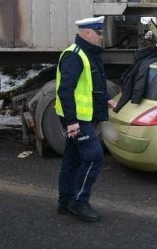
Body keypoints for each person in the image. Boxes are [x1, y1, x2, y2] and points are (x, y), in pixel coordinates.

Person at [55, 16, 117, 222]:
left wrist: (106, 100)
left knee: (72, 160)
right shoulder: (74, 56)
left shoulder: (88, 54)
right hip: (77, 119)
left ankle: (65, 202)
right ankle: (79, 202)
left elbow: (94, 84)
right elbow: (66, 90)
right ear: (88, 33)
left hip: (82, 117)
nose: (101, 37)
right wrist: (72, 121)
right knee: (94, 157)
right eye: (99, 33)